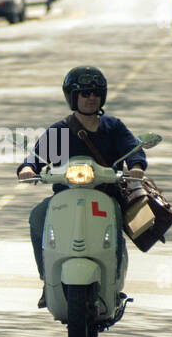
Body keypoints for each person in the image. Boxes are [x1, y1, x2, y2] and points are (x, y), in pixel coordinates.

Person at [17, 66, 148, 308]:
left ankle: (113, 285)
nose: (90, 98)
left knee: (115, 226)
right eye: (84, 93)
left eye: (95, 93)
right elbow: (36, 158)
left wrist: (137, 165)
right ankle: (48, 280)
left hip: (104, 198)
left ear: (102, 96)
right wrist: (28, 169)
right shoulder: (60, 130)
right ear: (72, 97)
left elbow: (133, 149)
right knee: (37, 217)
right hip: (65, 198)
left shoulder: (113, 127)